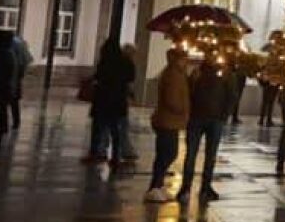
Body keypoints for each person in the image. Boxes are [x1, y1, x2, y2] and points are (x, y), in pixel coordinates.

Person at [179, 60, 234, 202]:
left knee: (191, 154)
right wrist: (224, 115)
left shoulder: (197, 73)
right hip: (214, 119)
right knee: (210, 155)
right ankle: (205, 188)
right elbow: (231, 96)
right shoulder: (224, 75)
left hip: (197, 117)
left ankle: (186, 188)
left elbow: (187, 92)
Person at [145, 46, 190, 202]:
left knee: (166, 153)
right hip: (167, 120)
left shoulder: (177, 74)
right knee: (168, 153)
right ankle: (155, 186)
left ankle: (158, 184)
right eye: (184, 59)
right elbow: (172, 99)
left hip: (170, 121)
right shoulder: (172, 75)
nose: (186, 62)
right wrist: (183, 108)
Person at [84, 39, 135, 167]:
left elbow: (98, 76)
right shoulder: (125, 63)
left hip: (103, 100)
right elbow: (130, 78)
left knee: (98, 129)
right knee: (115, 130)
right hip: (118, 101)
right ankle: (115, 156)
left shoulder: (105, 62)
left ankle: (96, 152)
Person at [8, 39, 30, 130]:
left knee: (11, 103)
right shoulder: (21, 60)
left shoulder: (10, 57)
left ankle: (14, 122)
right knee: (14, 103)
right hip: (15, 84)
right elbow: (21, 74)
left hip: (10, 84)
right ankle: (16, 122)